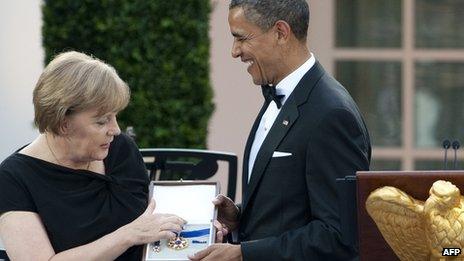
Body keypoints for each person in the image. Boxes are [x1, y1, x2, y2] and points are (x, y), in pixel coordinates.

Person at [190, 0, 371, 260]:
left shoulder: (332, 114)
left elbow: (338, 237)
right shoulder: (280, 96)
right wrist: (240, 217)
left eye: (241, 38)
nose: (235, 51)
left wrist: (244, 254)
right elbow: (293, 208)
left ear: (280, 32)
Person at [0, 51, 186, 260]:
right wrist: (128, 235)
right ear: (63, 124)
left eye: (115, 116)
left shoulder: (120, 149)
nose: (115, 129)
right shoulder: (13, 178)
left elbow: (151, 221)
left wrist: (196, 226)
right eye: (101, 121)